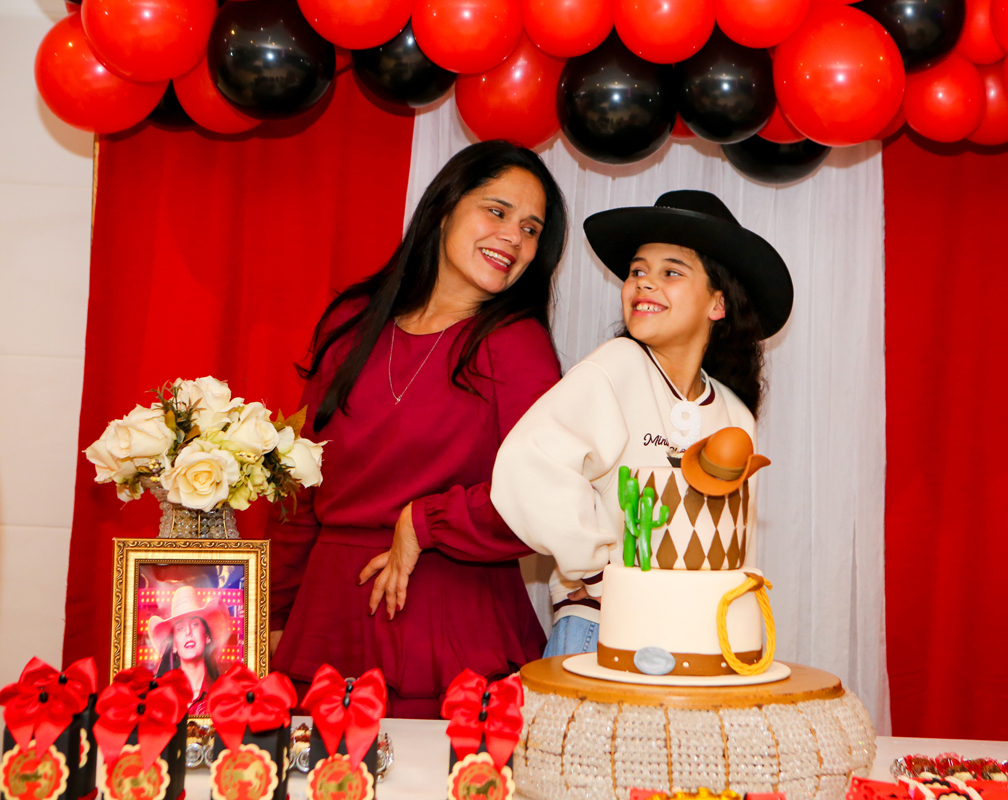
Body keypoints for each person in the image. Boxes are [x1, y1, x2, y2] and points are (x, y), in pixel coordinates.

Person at [267, 141, 567, 718]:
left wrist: (424, 522)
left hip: (453, 614)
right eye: (498, 211)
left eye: (531, 229)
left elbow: (545, 498)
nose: (514, 237)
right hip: (326, 617)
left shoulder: (516, 344)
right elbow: (299, 486)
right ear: (445, 207)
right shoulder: (353, 321)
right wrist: (274, 613)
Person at [491, 190, 793, 657]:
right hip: (600, 629)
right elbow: (528, 462)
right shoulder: (618, 366)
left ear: (717, 303)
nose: (644, 283)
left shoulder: (734, 414)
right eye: (637, 271)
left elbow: (736, 545)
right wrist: (595, 572)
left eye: (671, 272)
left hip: (698, 640)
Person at [148, 585, 232, 715]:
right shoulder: (159, 697)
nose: (188, 632)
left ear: (207, 636)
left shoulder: (223, 694)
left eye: (195, 624)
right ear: (174, 645)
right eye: (180, 628)